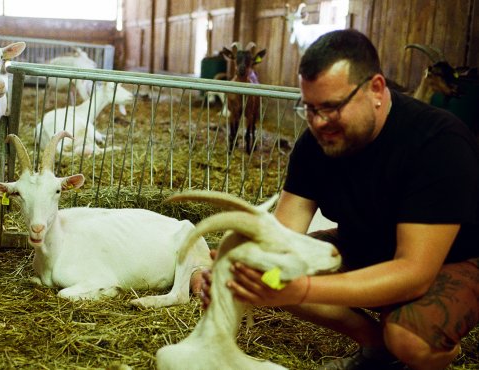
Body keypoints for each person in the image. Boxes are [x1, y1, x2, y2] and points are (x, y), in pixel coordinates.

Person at [202, 29, 479, 370]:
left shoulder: (438, 142)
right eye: (310, 108)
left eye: (332, 107)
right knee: (266, 272)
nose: (319, 122)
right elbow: (282, 235)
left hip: (450, 260)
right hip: (363, 246)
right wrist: (236, 264)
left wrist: (300, 289)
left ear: (376, 89)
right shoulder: (316, 142)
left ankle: (436, 354)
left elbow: (413, 271)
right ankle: (377, 347)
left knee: (409, 337)